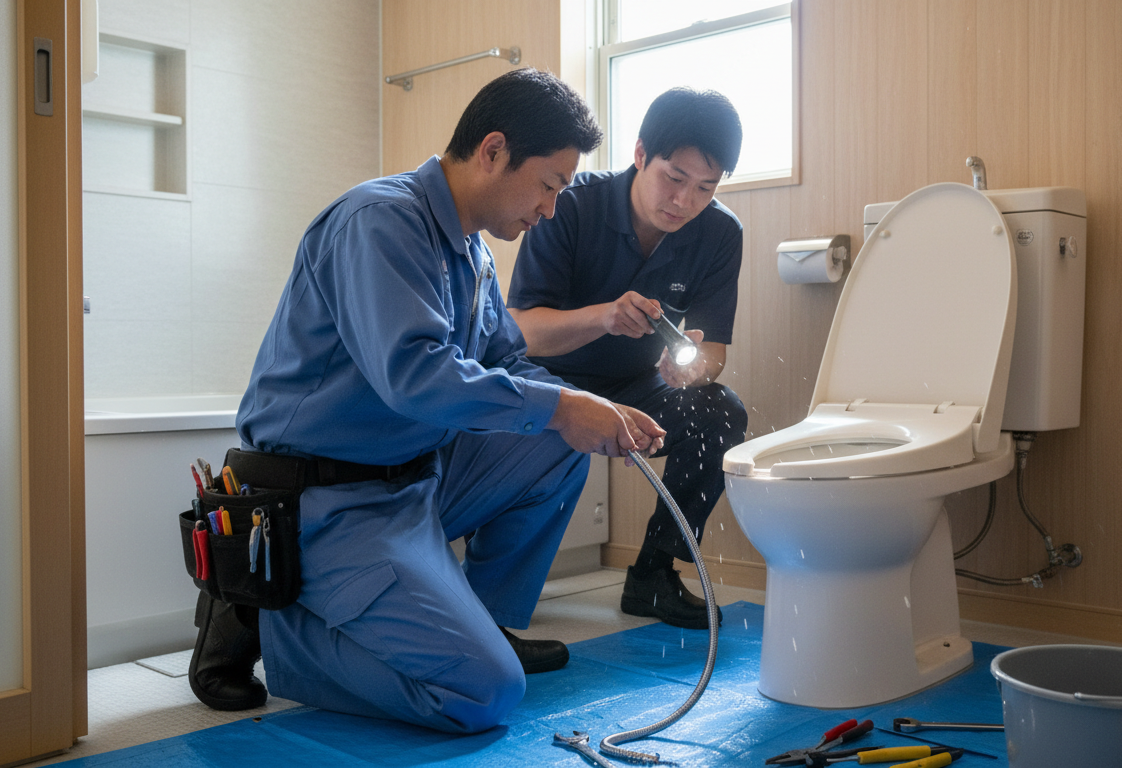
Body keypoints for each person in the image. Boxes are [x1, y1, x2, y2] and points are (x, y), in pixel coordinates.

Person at [188, 68, 665, 733]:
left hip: (413, 482)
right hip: (327, 502)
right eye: (549, 186)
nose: (551, 210)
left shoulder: (472, 253)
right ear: (494, 150)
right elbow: (416, 376)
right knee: (483, 694)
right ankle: (278, 622)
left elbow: (502, 361)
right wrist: (563, 408)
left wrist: (589, 409)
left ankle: (479, 623)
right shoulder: (379, 221)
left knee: (561, 442)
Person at [507, 88, 748, 631]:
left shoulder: (720, 233)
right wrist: (603, 317)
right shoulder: (570, 204)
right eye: (675, 178)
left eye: (706, 188)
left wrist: (691, 369)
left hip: (635, 383)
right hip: (545, 379)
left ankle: (653, 575)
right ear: (641, 154)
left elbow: (712, 350)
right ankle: (492, 602)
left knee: (720, 412)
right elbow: (522, 331)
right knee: (511, 428)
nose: (685, 201)